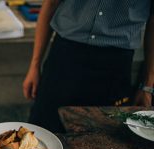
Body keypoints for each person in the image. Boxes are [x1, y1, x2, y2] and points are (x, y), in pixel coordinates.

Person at [23, 0, 154, 133]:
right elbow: (50, 4)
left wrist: (147, 85)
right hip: (64, 57)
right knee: (41, 132)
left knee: (104, 140)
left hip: (114, 66)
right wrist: (35, 65)